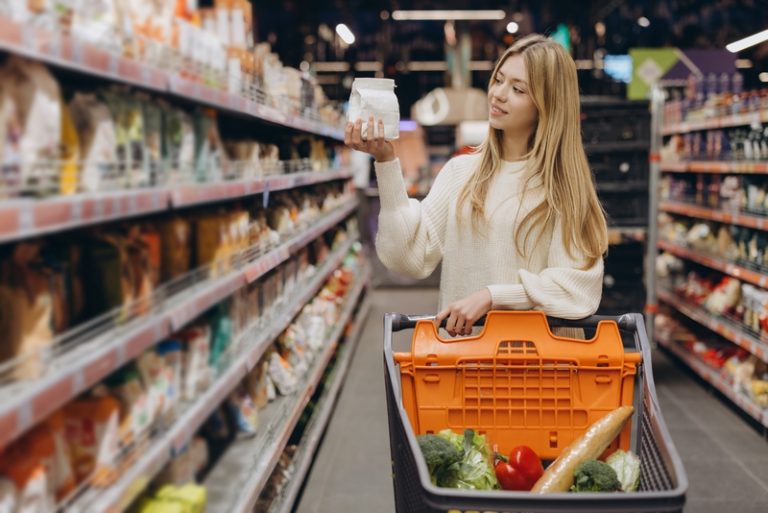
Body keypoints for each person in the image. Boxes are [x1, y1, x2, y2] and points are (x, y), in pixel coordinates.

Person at [344, 34, 608, 337]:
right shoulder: (461, 173)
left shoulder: (563, 188)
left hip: (541, 372)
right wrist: (386, 162)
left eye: (518, 89)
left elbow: (578, 290)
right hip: (467, 363)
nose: (498, 94)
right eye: (499, 80)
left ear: (547, 106)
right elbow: (409, 258)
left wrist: (493, 297)